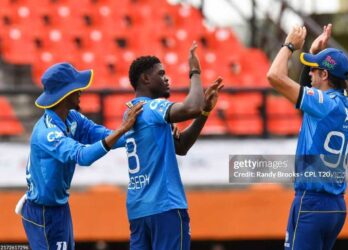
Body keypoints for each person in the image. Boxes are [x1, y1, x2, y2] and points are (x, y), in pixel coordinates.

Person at [18, 62, 143, 250]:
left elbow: (101, 134)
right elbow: (83, 156)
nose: (81, 91)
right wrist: (123, 129)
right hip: (42, 213)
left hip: (59, 208)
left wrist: (140, 135)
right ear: (64, 94)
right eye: (77, 88)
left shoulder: (72, 117)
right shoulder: (46, 133)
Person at [124, 41, 223, 250]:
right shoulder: (154, 108)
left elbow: (182, 147)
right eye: (161, 74)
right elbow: (192, 106)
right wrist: (195, 71)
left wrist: (205, 112)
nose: (166, 78)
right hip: (165, 206)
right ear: (145, 78)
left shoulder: (131, 113)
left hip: (139, 210)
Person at [267, 24, 348, 250]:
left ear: (325, 74)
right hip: (335, 204)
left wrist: (289, 46)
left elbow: (275, 76)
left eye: (314, 70)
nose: (309, 73)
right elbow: (310, 97)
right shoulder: (347, 105)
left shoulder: (322, 103)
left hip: (312, 201)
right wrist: (315, 55)